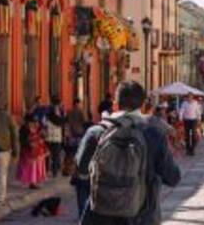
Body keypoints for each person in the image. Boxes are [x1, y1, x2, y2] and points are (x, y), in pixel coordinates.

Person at [74, 81, 181, 224]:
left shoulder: (95, 132)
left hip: (100, 216)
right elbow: (173, 177)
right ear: (142, 106)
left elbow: (81, 171)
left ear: (115, 104)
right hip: (142, 218)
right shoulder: (153, 134)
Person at [17, 118, 48, 189]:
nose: (35, 124)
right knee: (29, 167)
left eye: (36, 122)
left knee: (35, 167)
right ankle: (30, 181)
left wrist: (42, 137)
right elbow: (22, 140)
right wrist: (29, 144)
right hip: (28, 151)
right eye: (33, 122)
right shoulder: (24, 129)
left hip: (37, 151)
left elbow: (43, 137)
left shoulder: (38, 128)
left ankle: (33, 182)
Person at [43, 96, 66, 178]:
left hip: (48, 136)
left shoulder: (47, 112)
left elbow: (43, 122)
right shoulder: (60, 112)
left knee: (47, 155)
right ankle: (54, 171)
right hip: (56, 137)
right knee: (55, 155)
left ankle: (46, 171)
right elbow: (62, 122)